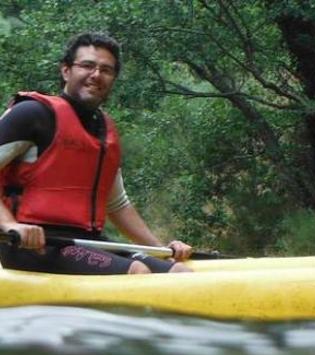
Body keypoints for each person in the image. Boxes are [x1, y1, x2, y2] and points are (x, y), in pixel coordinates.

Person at [0, 32, 193, 274]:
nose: (96, 75)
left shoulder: (105, 131)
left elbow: (118, 204)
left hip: (86, 241)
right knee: (137, 271)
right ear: (66, 71)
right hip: (30, 245)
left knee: (177, 272)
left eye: (106, 70)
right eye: (87, 65)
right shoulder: (31, 115)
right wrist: (9, 224)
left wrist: (161, 250)